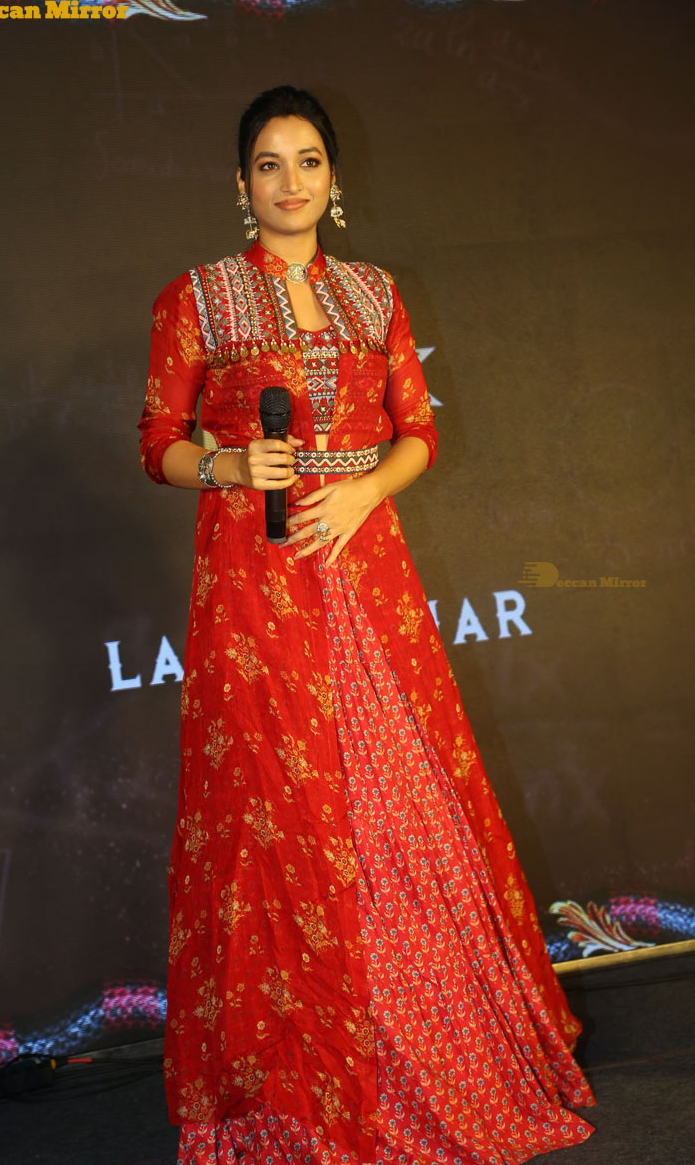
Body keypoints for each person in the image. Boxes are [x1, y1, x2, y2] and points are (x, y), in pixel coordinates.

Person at [138, 85, 596, 1165]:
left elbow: (417, 430)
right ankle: (296, 1099)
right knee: (274, 810)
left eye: (308, 161)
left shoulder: (375, 292)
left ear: (334, 179)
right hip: (254, 579)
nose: (290, 181)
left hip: (363, 563)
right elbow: (156, 438)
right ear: (240, 183)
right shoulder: (194, 297)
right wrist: (226, 465)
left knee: (400, 797)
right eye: (268, 163)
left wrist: (362, 492)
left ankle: (432, 1057)